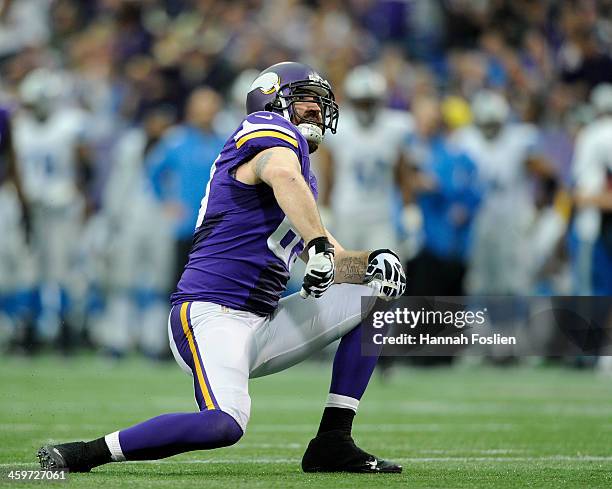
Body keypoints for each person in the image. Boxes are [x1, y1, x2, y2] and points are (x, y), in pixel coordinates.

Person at [37, 62, 407, 474]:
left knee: (377, 294)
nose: (318, 110)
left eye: (321, 103)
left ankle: (333, 441)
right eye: (307, 98)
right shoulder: (265, 130)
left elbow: (331, 258)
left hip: (261, 321)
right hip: (211, 313)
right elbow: (283, 178)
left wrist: (372, 262)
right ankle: (86, 453)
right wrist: (319, 244)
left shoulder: (303, 178)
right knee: (223, 424)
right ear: (273, 99)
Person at [319, 65, 413, 252]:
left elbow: (402, 172)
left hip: (381, 217)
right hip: (346, 213)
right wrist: (325, 206)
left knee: (385, 275)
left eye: (370, 102)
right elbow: (329, 173)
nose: (365, 108)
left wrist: (409, 207)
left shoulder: (395, 128)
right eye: (361, 103)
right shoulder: (339, 129)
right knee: (344, 275)